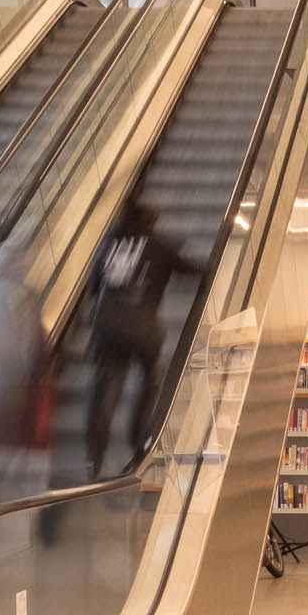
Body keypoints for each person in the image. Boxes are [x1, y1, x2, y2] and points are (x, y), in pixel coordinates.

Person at [85, 200, 199, 479]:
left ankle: (93, 457)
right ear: (149, 222)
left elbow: (93, 288)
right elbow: (188, 270)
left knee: (106, 390)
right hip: (141, 329)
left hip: (106, 329)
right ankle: (139, 441)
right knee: (149, 379)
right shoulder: (155, 243)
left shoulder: (108, 245)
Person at [0, 237, 55, 499]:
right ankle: (26, 505)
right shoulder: (24, 297)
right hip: (11, 389)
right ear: (17, 266)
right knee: (26, 451)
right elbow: (36, 349)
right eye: (26, 263)